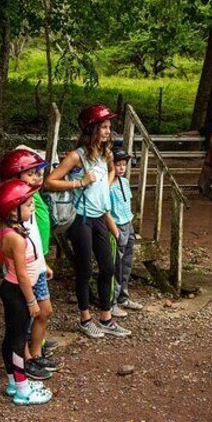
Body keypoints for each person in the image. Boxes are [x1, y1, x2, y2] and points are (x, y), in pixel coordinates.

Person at [44, 104, 130, 339]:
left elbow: (112, 172)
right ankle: (84, 319)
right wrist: (79, 183)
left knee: (108, 267)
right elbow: (50, 182)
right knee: (84, 270)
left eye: (109, 127)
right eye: (103, 127)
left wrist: (104, 186)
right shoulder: (77, 156)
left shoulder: (107, 154)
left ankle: (105, 318)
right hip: (80, 220)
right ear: (91, 128)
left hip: (100, 217)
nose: (107, 131)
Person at [0, 149, 63, 378]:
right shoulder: (14, 213)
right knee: (24, 320)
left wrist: (44, 264)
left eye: (37, 173)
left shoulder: (30, 203)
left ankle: (34, 354)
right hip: (22, 277)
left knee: (45, 311)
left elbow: (34, 239)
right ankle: (24, 360)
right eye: (30, 174)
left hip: (37, 270)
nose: (36, 178)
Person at [0, 179, 54, 405]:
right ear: (13, 211)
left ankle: (13, 382)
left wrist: (41, 267)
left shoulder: (10, 230)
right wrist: (31, 301)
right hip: (17, 291)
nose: (32, 207)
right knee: (17, 341)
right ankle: (22, 389)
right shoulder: (15, 238)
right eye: (27, 204)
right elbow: (21, 274)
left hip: (13, 289)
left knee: (11, 338)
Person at [109, 148, 142, 318]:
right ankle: (112, 302)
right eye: (118, 164)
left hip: (128, 223)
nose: (121, 168)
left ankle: (124, 296)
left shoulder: (125, 182)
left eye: (124, 164)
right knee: (117, 264)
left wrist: (131, 226)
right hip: (116, 225)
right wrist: (114, 230)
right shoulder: (108, 184)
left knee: (127, 263)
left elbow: (127, 203)